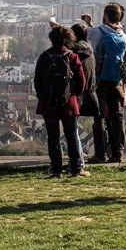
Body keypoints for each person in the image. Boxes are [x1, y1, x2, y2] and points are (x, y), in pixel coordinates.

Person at [34, 25, 90, 178]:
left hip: (49, 103)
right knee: (71, 135)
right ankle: (76, 168)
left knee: (53, 137)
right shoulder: (72, 56)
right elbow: (81, 81)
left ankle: (56, 170)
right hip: (69, 103)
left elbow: (37, 81)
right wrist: (74, 95)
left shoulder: (45, 57)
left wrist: (43, 96)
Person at [90, 2, 126, 164]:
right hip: (116, 82)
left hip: (100, 81)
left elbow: (89, 41)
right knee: (117, 118)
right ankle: (118, 152)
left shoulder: (98, 32)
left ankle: (100, 154)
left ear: (106, 15)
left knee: (99, 117)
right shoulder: (124, 36)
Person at [70, 22, 104, 162]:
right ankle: (101, 153)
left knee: (71, 126)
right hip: (91, 91)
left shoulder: (73, 52)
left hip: (77, 93)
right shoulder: (90, 49)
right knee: (98, 123)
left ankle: (77, 156)